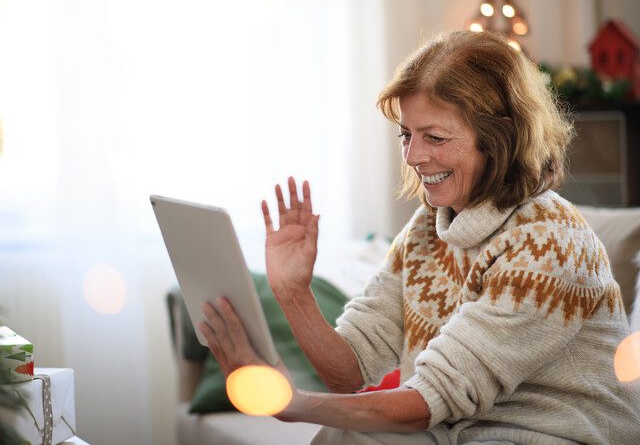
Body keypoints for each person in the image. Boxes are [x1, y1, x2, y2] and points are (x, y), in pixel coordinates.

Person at [197, 31, 640, 444]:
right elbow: (350, 372)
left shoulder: (551, 240)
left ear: (499, 136)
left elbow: (432, 398)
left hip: (551, 435)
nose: (412, 156)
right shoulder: (429, 226)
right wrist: (293, 291)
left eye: (435, 137)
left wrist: (289, 402)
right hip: (461, 432)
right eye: (406, 135)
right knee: (344, 437)